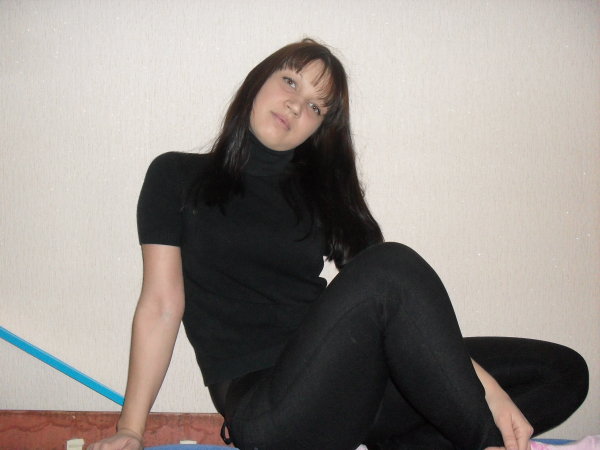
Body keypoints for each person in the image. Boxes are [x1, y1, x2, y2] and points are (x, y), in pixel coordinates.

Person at [89, 39, 590, 450]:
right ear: (257, 82)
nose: (296, 104)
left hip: (353, 394)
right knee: (391, 266)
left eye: (315, 107)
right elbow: (161, 305)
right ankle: (480, 442)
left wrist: (489, 390)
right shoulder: (177, 176)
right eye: (290, 82)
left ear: (317, 129)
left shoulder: (320, 194)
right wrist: (131, 429)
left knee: (562, 373)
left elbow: (410, 314)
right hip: (272, 409)